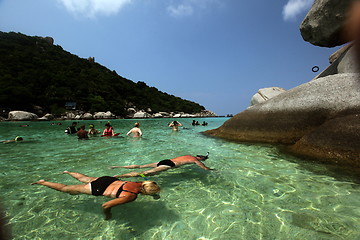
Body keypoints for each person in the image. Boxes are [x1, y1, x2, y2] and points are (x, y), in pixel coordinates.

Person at [31, 171, 160, 220]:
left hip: (107, 179)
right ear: (145, 193)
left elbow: (139, 175)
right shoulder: (131, 196)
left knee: (85, 178)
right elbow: (105, 205)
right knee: (66, 189)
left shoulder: (139, 182)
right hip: (99, 188)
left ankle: (67, 171)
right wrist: (108, 214)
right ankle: (43, 182)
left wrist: (154, 194)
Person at [111, 153, 212, 178]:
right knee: (142, 174)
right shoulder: (195, 160)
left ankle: (116, 167)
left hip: (165, 160)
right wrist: (212, 170)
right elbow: (204, 168)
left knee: (140, 166)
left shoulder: (189, 155)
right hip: (170, 164)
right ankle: (118, 176)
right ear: (201, 158)